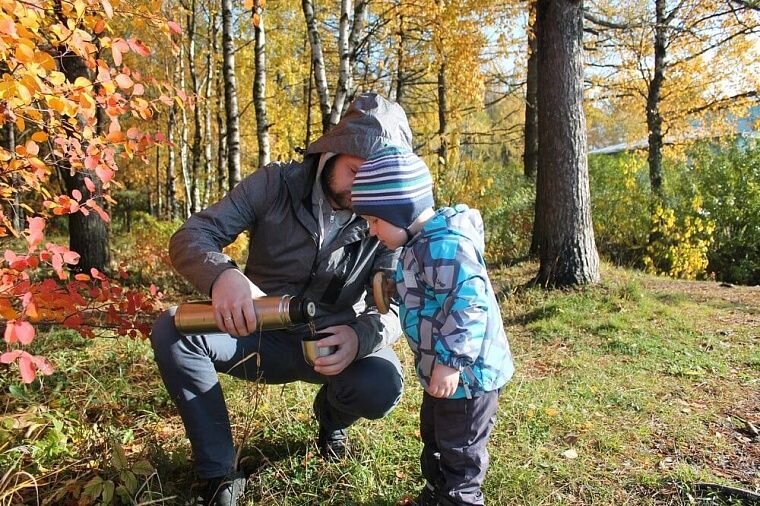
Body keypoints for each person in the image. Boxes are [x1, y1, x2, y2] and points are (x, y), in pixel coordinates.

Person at [150, 93, 410, 506]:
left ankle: (331, 419)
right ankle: (218, 472)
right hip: (258, 332)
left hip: (332, 340)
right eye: (355, 173)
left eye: (375, 183)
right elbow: (191, 236)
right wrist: (223, 275)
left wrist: (359, 338)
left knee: (382, 384)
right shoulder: (276, 182)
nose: (363, 193)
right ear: (334, 149)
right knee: (173, 330)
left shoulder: (387, 214)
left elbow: (395, 304)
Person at [351, 146, 515, 506]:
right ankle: (437, 492)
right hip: (442, 371)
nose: (372, 230)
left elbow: (468, 305)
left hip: (468, 377)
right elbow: (432, 290)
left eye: (376, 221)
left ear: (402, 211)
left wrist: (450, 361)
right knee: (436, 437)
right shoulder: (419, 243)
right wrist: (396, 286)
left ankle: (460, 498)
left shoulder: (444, 246)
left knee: (460, 449)